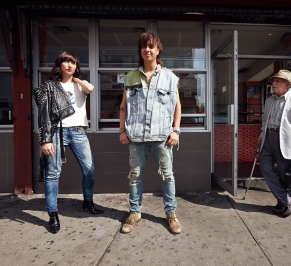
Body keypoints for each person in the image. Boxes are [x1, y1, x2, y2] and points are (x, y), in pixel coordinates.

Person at [119, 31, 182, 234]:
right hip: (136, 137)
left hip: (162, 137)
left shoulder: (170, 78)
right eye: (144, 46)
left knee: (167, 176)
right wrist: (121, 129)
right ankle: (135, 212)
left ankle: (171, 213)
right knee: (135, 177)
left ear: (158, 49)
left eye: (151, 46)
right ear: (140, 50)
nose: (148, 49)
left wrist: (176, 131)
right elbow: (123, 106)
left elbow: (177, 106)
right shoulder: (130, 77)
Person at [33, 51, 103, 234]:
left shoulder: (80, 85)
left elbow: (91, 89)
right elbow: (44, 115)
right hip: (57, 132)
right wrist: (45, 140)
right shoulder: (50, 87)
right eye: (66, 62)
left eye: (73, 62)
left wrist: (76, 79)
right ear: (59, 65)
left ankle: (87, 201)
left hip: (79, 131)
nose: (70, 65)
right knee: (52, 173)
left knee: (89, 169)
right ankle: (52, 213)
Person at [259, 69, 291, 217]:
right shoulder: (269, 100)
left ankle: (283, 203)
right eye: (273, 81)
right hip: (268, 138)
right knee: (265, 167)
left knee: (284, 174)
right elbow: (264, 121)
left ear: (287, 84)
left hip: (287, 141)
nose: (274, 84)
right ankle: (288, 199)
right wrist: (262, 135)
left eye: (277, 81)